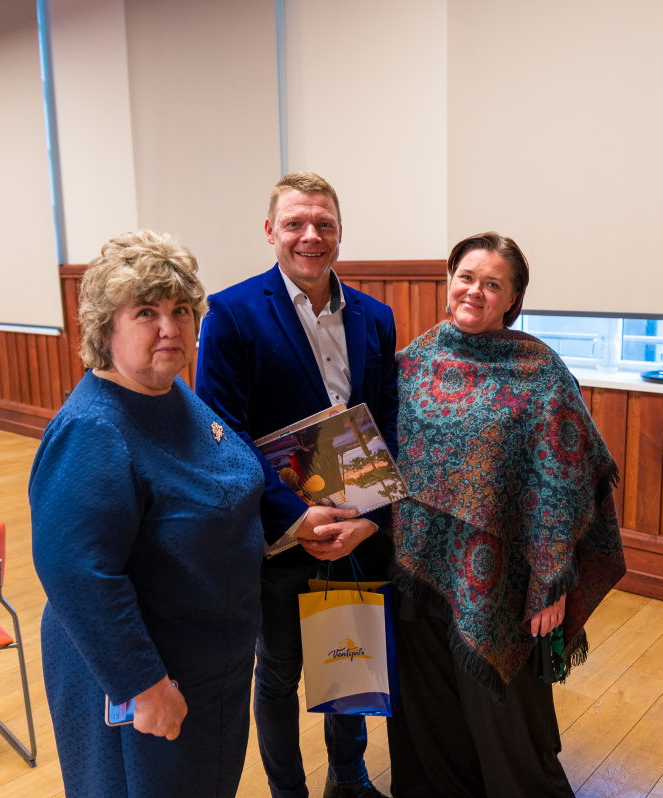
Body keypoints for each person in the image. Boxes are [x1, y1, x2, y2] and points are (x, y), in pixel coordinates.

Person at [387, 232, 626, 798]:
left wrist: (551, 581)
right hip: (416, 564)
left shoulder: (539, 372)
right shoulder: (412, 361)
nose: (475, 291)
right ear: (450, 280)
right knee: (427, 718)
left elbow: (567, 480)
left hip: (502, 583)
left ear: (513, 299)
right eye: (466, 277)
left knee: (508, 727)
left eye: (492, 284)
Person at [30, 231, 265, 797]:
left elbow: (222, 494)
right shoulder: (94, 429)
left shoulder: (172, 394)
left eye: (181, 310)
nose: (170, 328)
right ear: (105, 328)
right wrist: (143, 685)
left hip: (212, 665)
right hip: (147, 681)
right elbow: (77, 574)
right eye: (146, 313)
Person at [196, 172, 398, 798]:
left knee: (350, 658)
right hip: (281, 532)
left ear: (339, 232)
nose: (310, 235)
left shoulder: (376, 316)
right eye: (295, 223)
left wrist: (370, 519)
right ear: (270, 231)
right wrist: (294, 517)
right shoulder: (231, 312)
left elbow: (389, 420)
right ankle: (289, 791)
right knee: (279, 673)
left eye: (324, 224)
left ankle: (348, 777)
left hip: (356, 528)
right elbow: (220, 429)